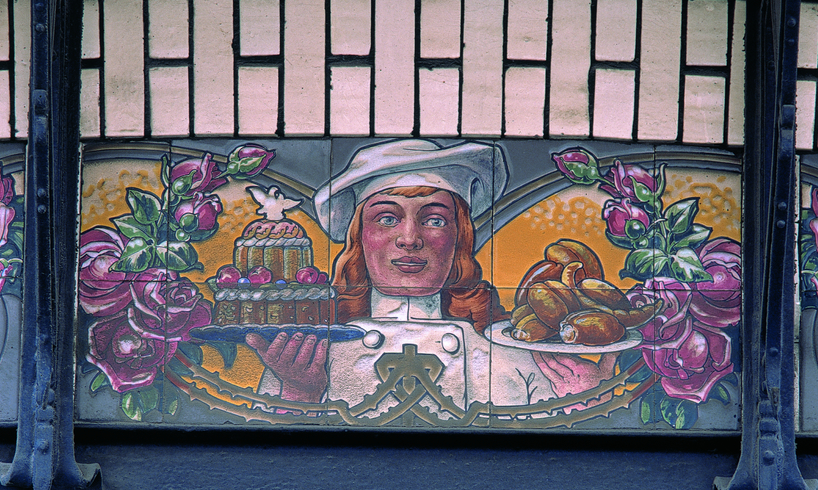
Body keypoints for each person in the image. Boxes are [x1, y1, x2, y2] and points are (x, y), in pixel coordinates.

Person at [244, 140, 614, 418]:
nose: (410, 238)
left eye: (434, 219)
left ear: (460, 238)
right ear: (359, 238)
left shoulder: (516, 354)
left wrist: (587, 398)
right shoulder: (305, 354)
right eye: (387, 218)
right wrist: (299, 393)